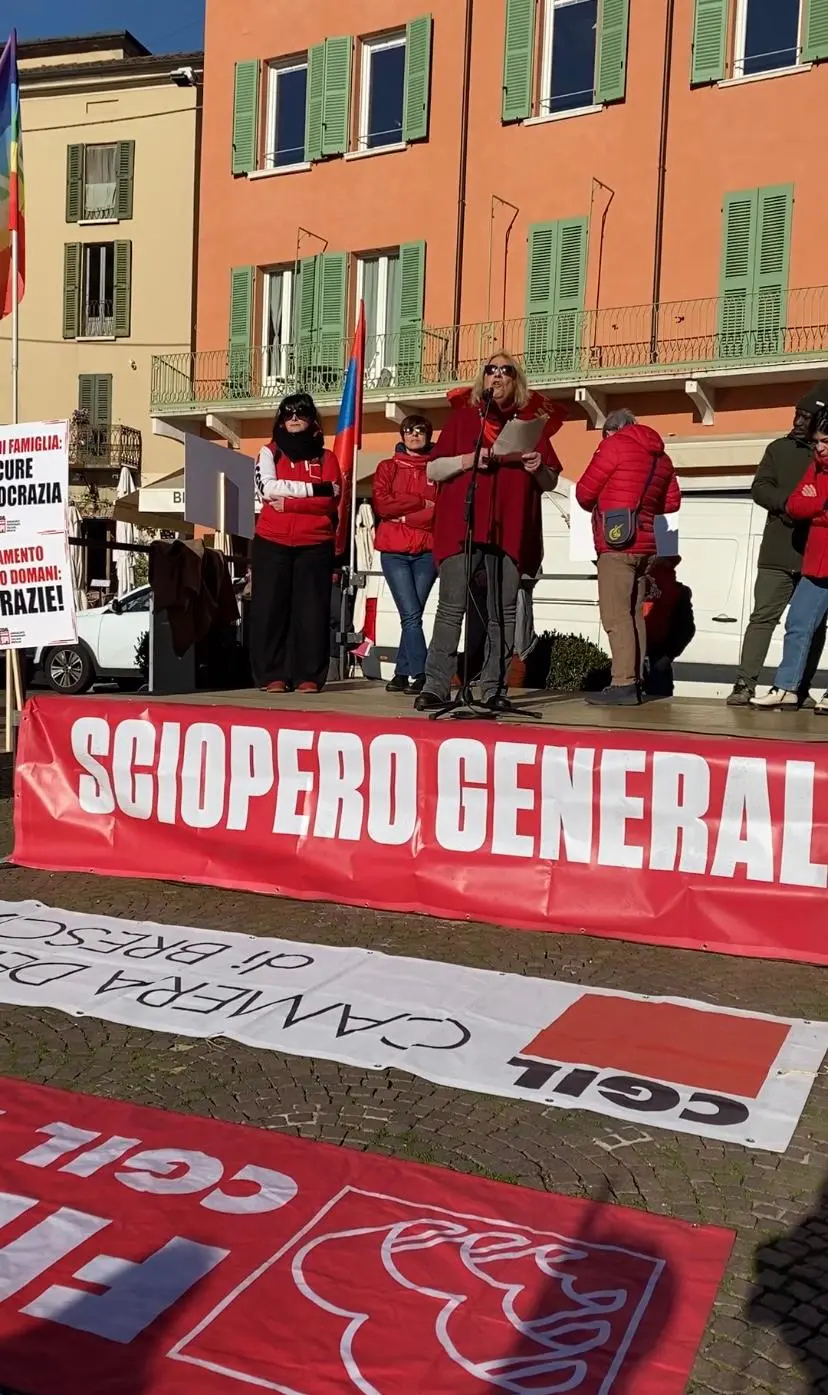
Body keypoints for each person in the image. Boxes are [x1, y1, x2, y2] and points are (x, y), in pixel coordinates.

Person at [414, 352, 563, 711]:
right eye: (490, 370)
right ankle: (436, 684)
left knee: (503, 613)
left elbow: (550, 479)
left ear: (516, 380)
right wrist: (468, 460)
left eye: (505, 371)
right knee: (451, 608)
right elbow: (433, 471)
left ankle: (494, 687)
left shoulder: (530, 422)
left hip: (509, 527)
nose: (497, 376)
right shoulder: (465, 419)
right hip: (462, 526)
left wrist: (537, 464)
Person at [728, 383, 828, 706]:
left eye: (806, 416)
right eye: (797, 415)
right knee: (763, 618)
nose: (799, 421)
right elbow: (760, 488)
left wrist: (811, 507)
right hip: (778, 550)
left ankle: (799, 686)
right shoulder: (777, 449)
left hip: (814, 554)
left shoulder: (820, 456)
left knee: (811, 624)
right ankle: (745, 683)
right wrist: (787, 503)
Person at [575, 408, 680, 706]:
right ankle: (635, 681)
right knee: (635, 615)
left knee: (615, 614)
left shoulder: (614, 446)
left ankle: (622, 683)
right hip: (647, 546)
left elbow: (584, 494)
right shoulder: (661, 456)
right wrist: (643, 509)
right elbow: (672, 502)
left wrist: (619, 501)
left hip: (616, 543)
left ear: (611, 431)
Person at [250, 393, 342, 693]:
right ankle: (271, 675)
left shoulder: (328, 458)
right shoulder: (268, 452)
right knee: (270, 609)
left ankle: (309, 676)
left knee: (312, 611)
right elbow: (268, 489)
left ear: (313, 418)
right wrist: (313, 490)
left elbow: (330, 501)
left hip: (315, 542)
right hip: (272, 540)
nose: (294, 418)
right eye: (287, 413)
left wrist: (290, 505)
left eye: (301, 412)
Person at [751, 407, 828, 712]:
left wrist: (815, 505)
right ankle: (787, 688)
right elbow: (796, 505)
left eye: (824, 441)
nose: (818, 447)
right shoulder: (816, 467)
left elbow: (808, 506)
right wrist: (821, 504)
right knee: (797, 623)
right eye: (817, 441)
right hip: (816, 561)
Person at [372, 414, 438, 694]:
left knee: (413, 614)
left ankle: (401, 673)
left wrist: (405, 515)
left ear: (428, 435)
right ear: (402, 435)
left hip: (426, 550)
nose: (414, 435)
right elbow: (382, 506)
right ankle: (422, 674)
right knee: (411, 614)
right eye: (409, 431)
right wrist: (420, 503)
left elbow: (438, 512)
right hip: (394, 551)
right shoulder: (387, 467)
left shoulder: (437, 469)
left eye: (420, 431)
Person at [642, 556, 695, 697]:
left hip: (643, 657)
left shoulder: (634, 583)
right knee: (660, 707)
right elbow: (686, 628)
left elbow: (686, 628)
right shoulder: (677, 591)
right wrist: (668, 656)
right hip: (658, 657)